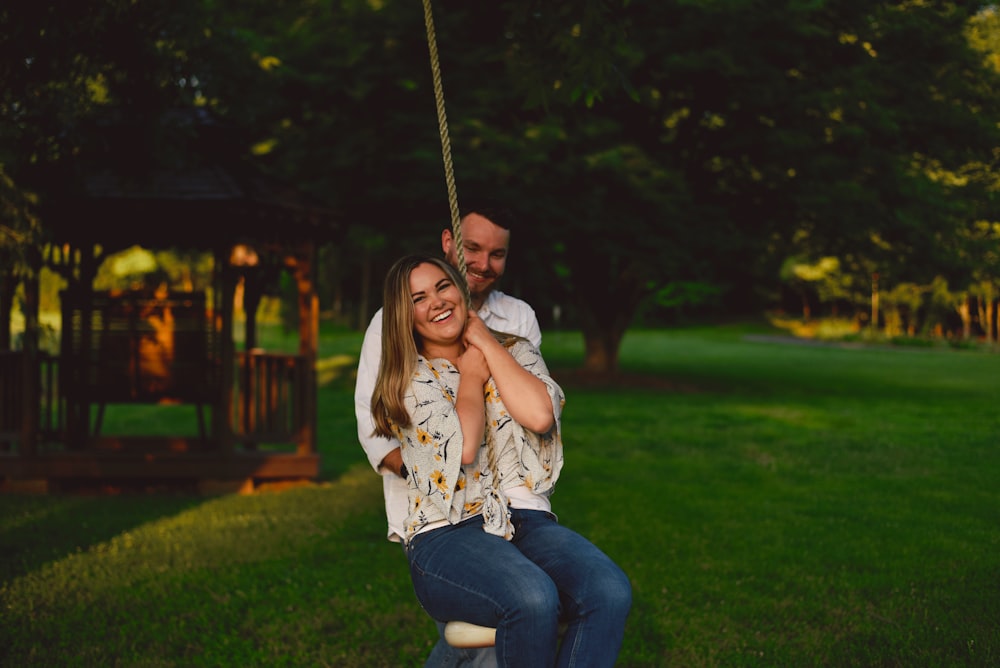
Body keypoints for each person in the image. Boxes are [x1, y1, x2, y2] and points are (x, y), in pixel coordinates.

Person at [371, 254, 631, 667]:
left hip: (523, 521)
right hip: (446, 534)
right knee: (532, 597)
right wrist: (472, 377)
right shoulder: (409, 377)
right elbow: (465, 447)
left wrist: (487, 345)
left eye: (442, 287)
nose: (436, 301)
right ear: (405, 316)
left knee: (608, 590)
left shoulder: (515, 350)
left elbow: (540, 416)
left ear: (460, 290)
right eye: (418, 298)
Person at [355, 206, 541, 666]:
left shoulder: (517, 319)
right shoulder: (393, 320)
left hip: (508, 506)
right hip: (437, 512)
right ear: (448, 242)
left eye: (497, 253)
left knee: (497, 626)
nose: (482, 263)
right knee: (489, 624)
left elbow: (526, 413)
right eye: (472, 248)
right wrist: (431, 470)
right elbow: (372, 419)